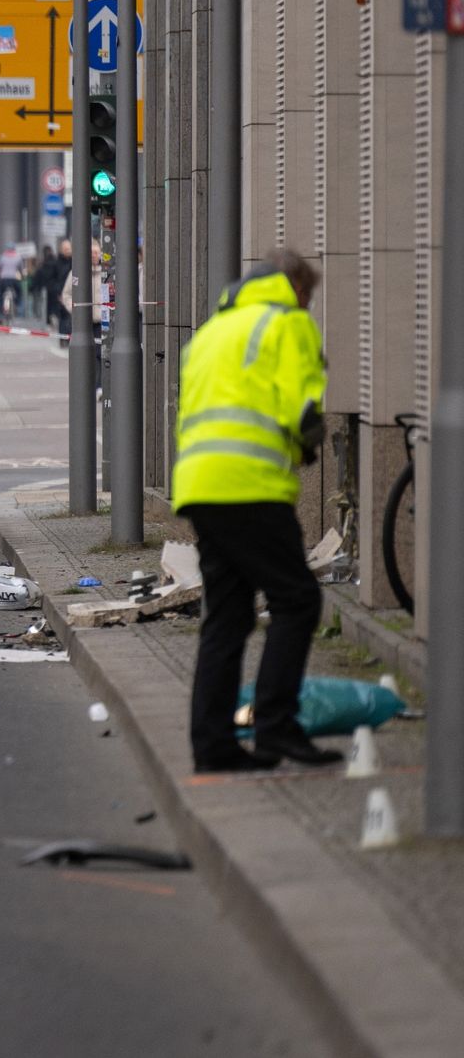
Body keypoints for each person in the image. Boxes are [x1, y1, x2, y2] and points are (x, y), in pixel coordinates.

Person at [175, 249, 333, 773]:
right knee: (297, 599)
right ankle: (276, 728)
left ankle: (213, 745)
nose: (308, 305)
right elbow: (303, 409)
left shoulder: (213, 330)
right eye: (308, 295)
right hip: (251, 485)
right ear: (294, 287)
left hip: (201, 486)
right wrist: (309, 444)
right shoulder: (287, 323)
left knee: (228, 614)